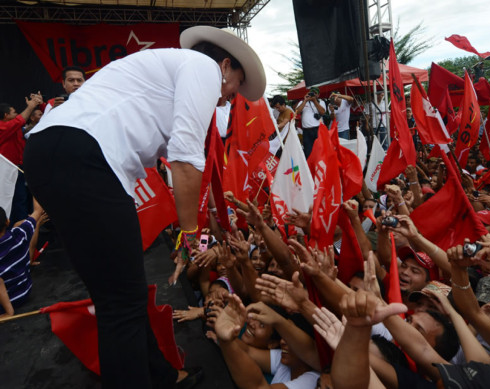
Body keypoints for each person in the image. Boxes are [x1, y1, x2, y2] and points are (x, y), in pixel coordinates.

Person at [23, 26, 265, 388]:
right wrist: (189, 236)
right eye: (235, 85)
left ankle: (164, 376)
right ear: (225, 66)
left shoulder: (165, 72)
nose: (230, 98)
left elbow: (177, 159)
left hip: (48, 153)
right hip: (87, 156)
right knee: (120, 304)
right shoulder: (202, 67)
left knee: (119, 296)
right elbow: (185, 159)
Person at [0, 93, 44, 225]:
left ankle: (22, 229)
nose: (17, 114)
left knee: (22, 201)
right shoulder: (3, 127)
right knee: (14, 202)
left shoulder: (15, 128)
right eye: (14, 112)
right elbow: (21, 119)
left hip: (21, 169)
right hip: (7, 172)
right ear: (6, 115)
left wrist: (40, 104)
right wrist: (30, 107)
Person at [295, 87, 326, 158]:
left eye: (315, 93)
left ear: (318, 95)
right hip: (306, 131)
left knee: (320, 150)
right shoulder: (303, 101)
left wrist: (315, 101)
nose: (313, 95)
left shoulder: (321, 102)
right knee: (308, 152)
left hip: (318, 129)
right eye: (312, 93)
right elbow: (296, 112)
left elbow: (322, 112)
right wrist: (305, 101)